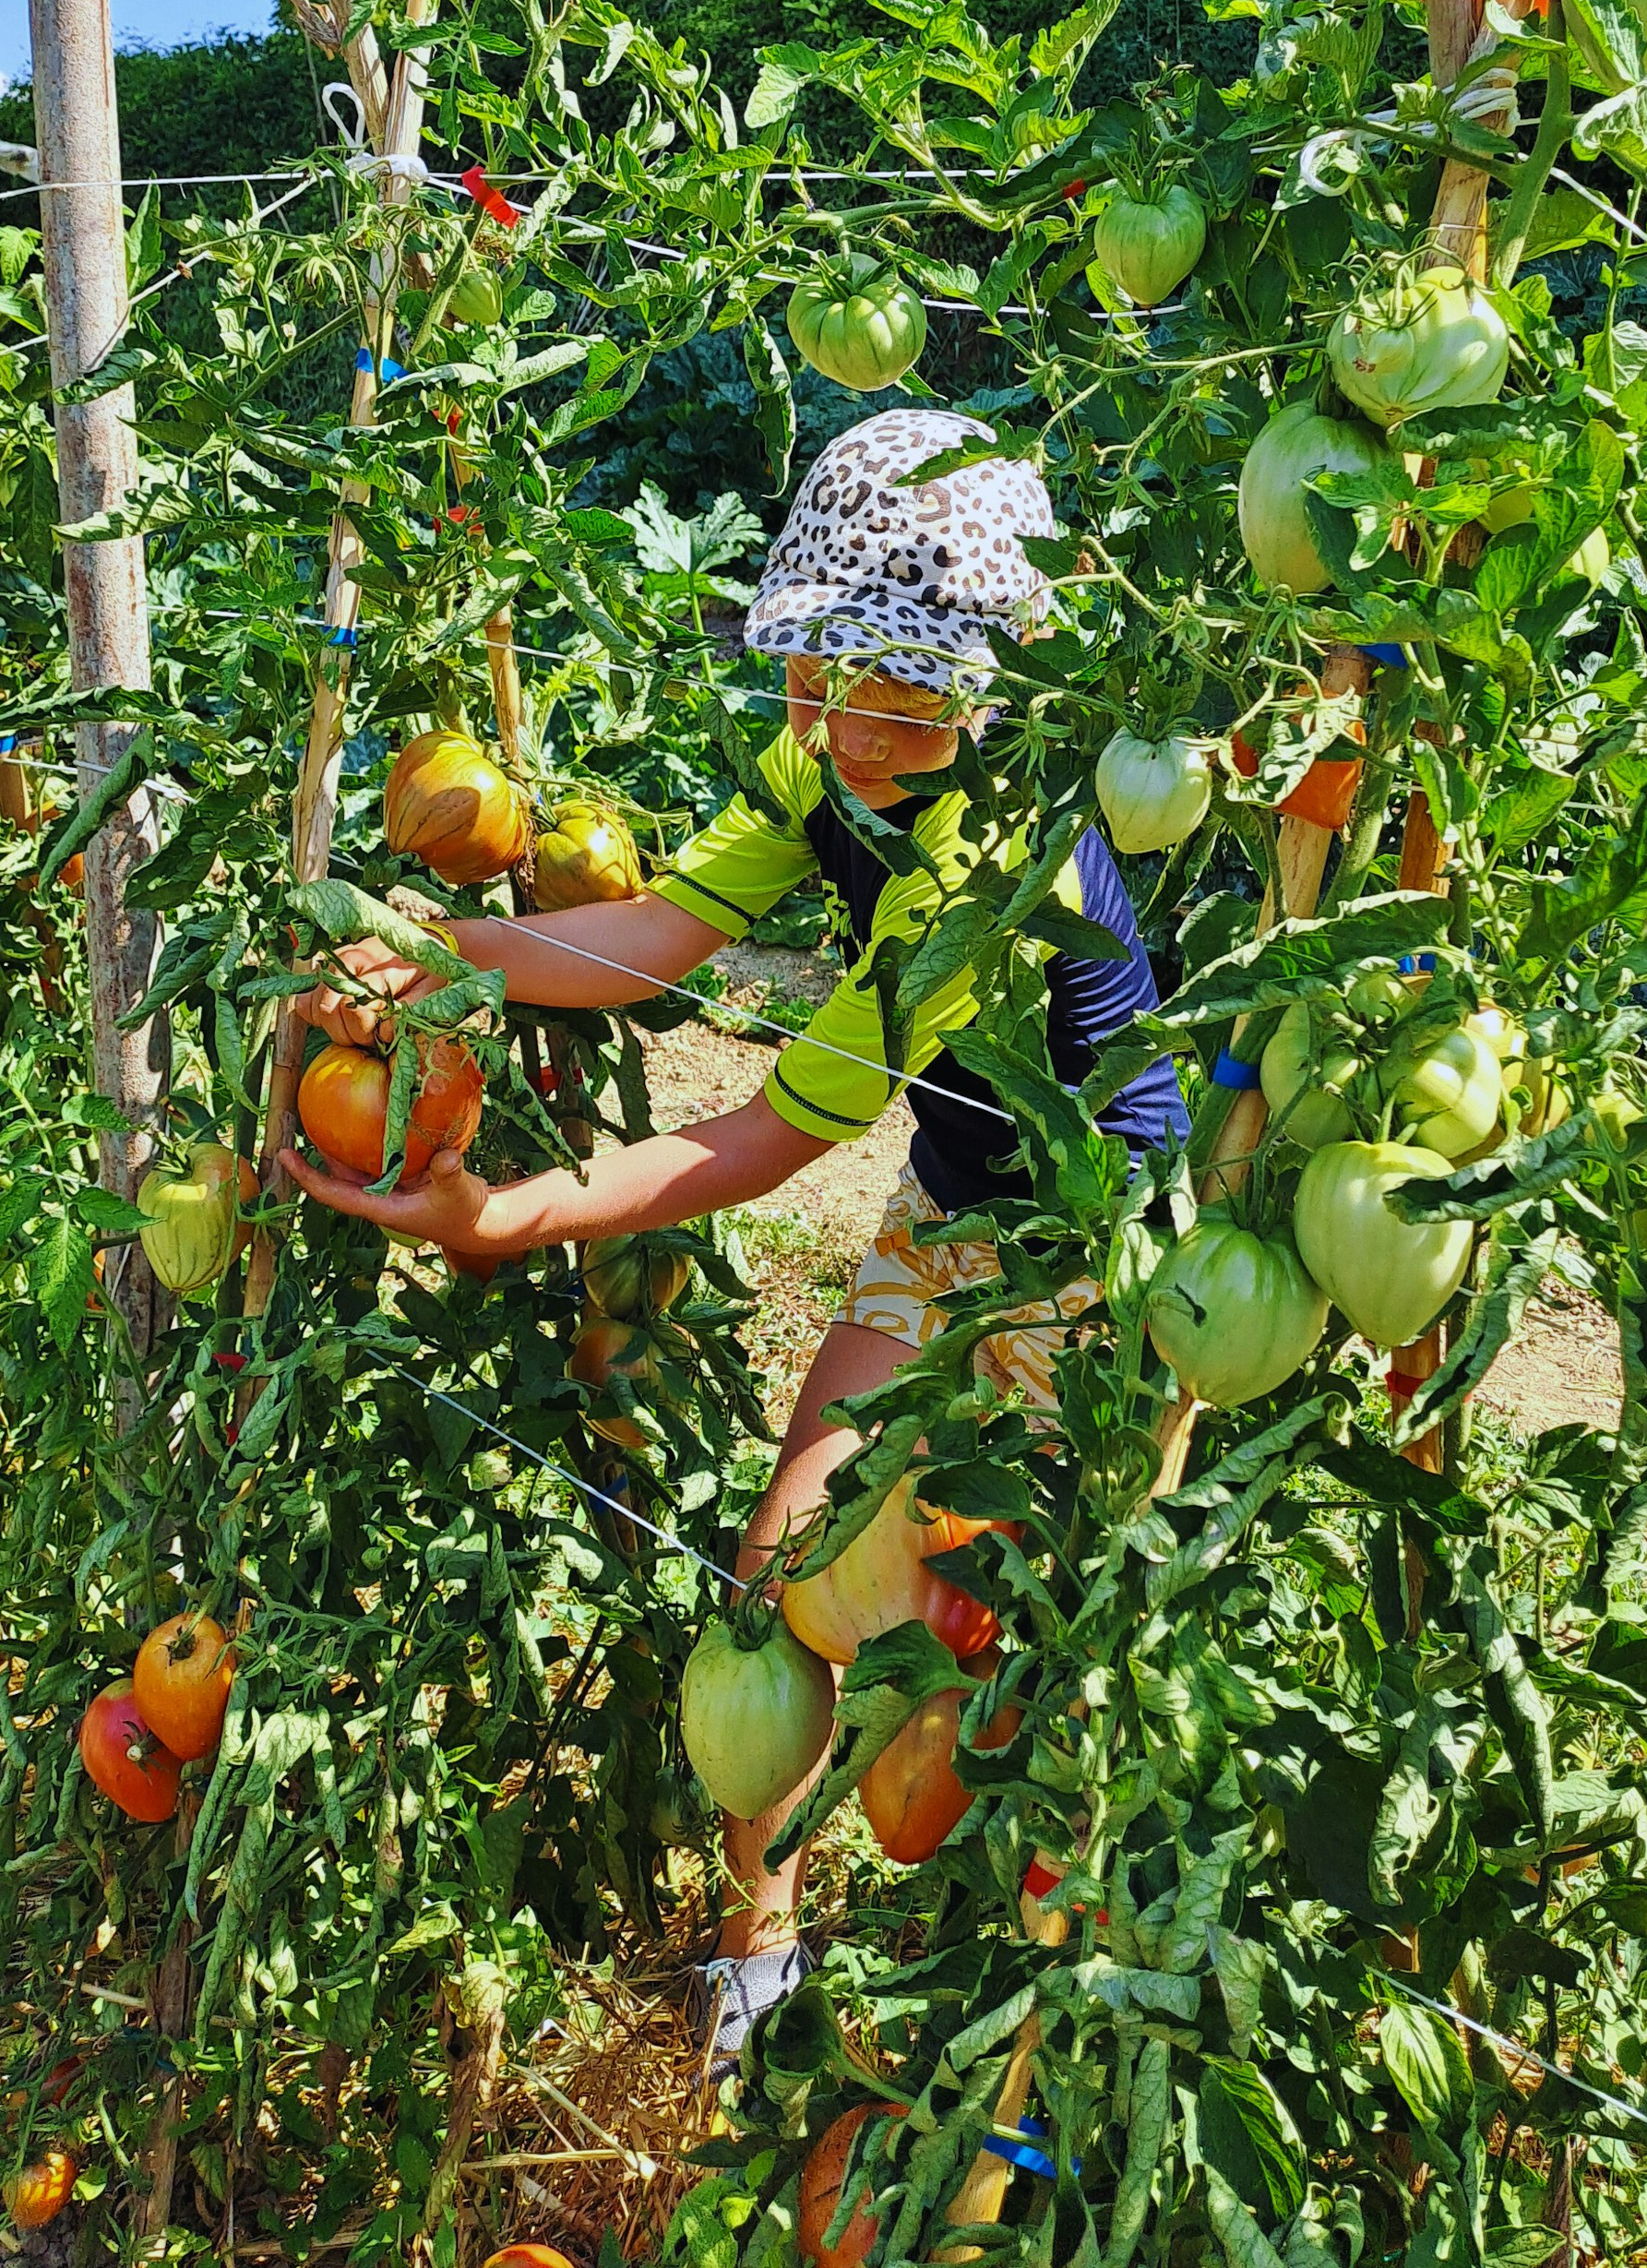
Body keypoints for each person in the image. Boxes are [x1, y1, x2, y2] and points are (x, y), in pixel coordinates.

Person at [284, 406, 1188, 2060]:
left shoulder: (992, 871)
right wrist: (458, 953)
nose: (856, 719)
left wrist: (501, 1217)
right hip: (955, 1211)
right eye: (830, 668)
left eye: (909, 688)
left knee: (1025, 1645)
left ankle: (1033, 2015)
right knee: (777, 1577)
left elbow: (759, 1142)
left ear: (992, 689)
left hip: (1101, 1260)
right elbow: (668, 934)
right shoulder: (817, 757)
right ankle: (762, 1960)